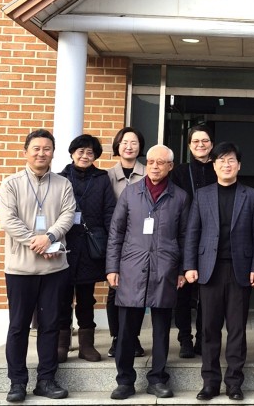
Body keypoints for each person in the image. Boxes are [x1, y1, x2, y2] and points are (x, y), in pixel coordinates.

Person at [0, 129, 76, 404]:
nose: (42, 153)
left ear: (53, 153)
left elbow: (68, 214)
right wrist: (36, 241)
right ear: (26, 152)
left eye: (47, 148)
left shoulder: (63, 184)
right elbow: (8, 220)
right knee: (18, 326)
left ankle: (46, 379)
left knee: (50, 326)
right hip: (21, 269)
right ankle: (17, 382)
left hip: (55, 269)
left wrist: (51, 237)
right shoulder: (11, 184)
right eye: (36, 148)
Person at [183, 142, 254, 402]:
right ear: (214, 165)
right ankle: (210, 382)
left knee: (237, 329)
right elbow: (192, 232)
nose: (226, 164)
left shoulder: (251, 195)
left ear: (239, 165)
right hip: (210, 270)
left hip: (239, 270)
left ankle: (234, 383)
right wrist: (189, 265)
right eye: (221, 160)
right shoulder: (203, 195)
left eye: (231, 160)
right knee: (208, 329)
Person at [106, 144, 189, 401]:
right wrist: (112, 267)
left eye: (160, 162)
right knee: (127, 329)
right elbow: (116, 233)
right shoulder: (131, 194)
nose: (154, 166)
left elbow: (186, 236)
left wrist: (183, 270)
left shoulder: (180, 197)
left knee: (162, 328)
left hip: (165, 268)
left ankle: (158, 378)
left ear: (170, 166)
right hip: (131, 268)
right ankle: (125, 380)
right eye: (151, 161)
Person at [57, 134, 116, 362]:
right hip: (64, 245)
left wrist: (112, 239)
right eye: (80, 151)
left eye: (90, 152)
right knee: (62, 297)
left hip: (91, 246)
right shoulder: (60, 178)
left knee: (86, 297)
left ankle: (86, 345)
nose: (84, 156)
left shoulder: (101, 178)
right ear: (72, 153)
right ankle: (62, 344)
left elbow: (109, 210)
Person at [171, 125, 215, 358]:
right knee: (183, 293)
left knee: (207, 293)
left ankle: (202, 338)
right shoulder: (179, 172)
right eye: (196, 141)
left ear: (211, 144)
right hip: (185, 236)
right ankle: (185, 339)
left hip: (212, 238)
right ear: (189, 145)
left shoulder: (219, 168)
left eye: (205, 140)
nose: (200, 144)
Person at [107, 128, 147, 359]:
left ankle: (133, 336)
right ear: (117, 146)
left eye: (134, 142)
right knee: (115, 290)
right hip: (117, 240)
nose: (129, 146)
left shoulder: (149, 172)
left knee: (140, 290)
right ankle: (117, 337)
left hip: (141, 242)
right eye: (124, 142)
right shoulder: (107, 176)